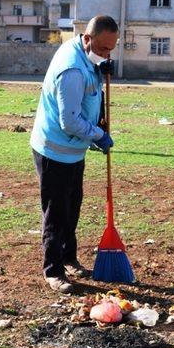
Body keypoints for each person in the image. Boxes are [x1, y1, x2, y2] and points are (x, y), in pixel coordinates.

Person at [30, 15, 118, 293]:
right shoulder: (71, 70)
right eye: (103, 49)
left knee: (72, 207)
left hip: (73, 152)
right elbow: (70, 120)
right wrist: (97, 135)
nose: (106, 55)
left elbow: (91, 94)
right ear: (88, 40)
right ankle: (53, 270)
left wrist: (102, 68)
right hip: (54, 151)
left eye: (111, 50)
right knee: (57, 213)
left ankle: (68, 258)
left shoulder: (86, 56)